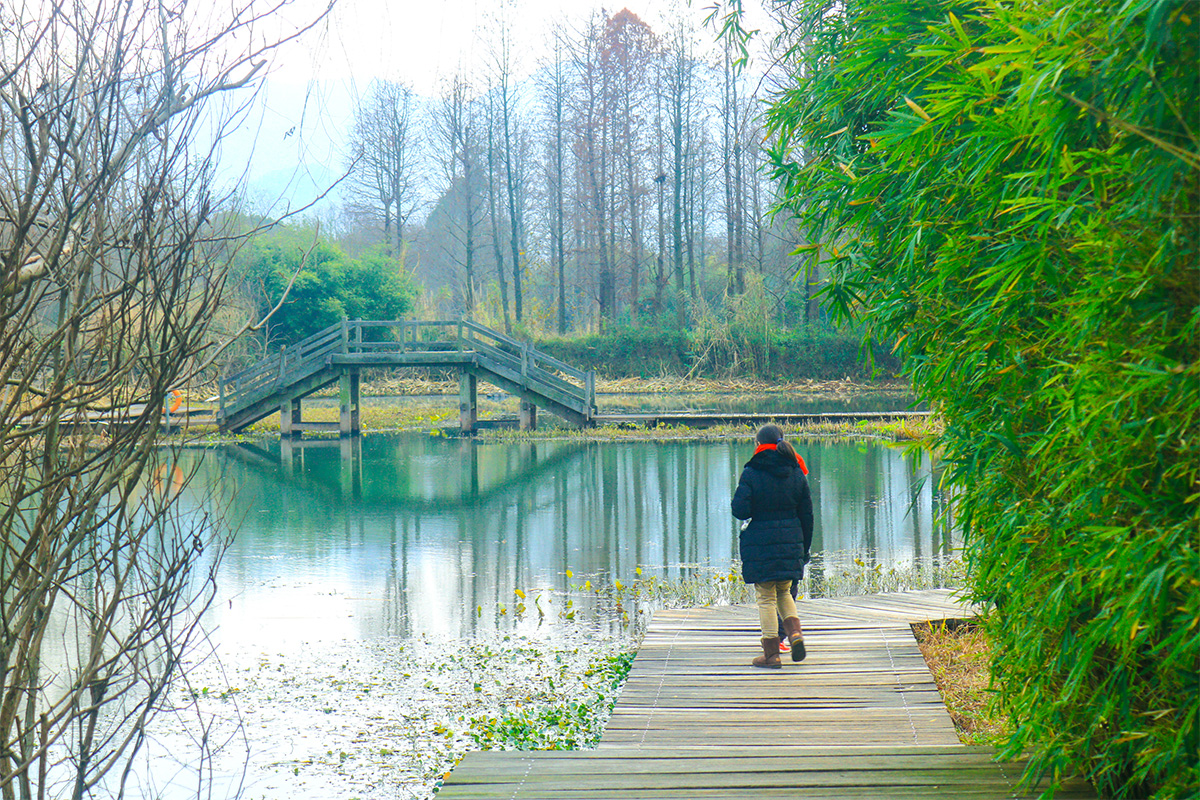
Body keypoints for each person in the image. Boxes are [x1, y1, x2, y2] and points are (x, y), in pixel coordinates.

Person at [731, 424, 814, 668]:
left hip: (761, 543)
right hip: (791, 542)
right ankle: (795, 635)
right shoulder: (796, 471)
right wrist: (803, 549)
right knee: (785, 592)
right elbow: (807, 515)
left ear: (758, 444)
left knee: (766, 596)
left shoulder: (752, 471)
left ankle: (771, 655)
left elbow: (740, 510)